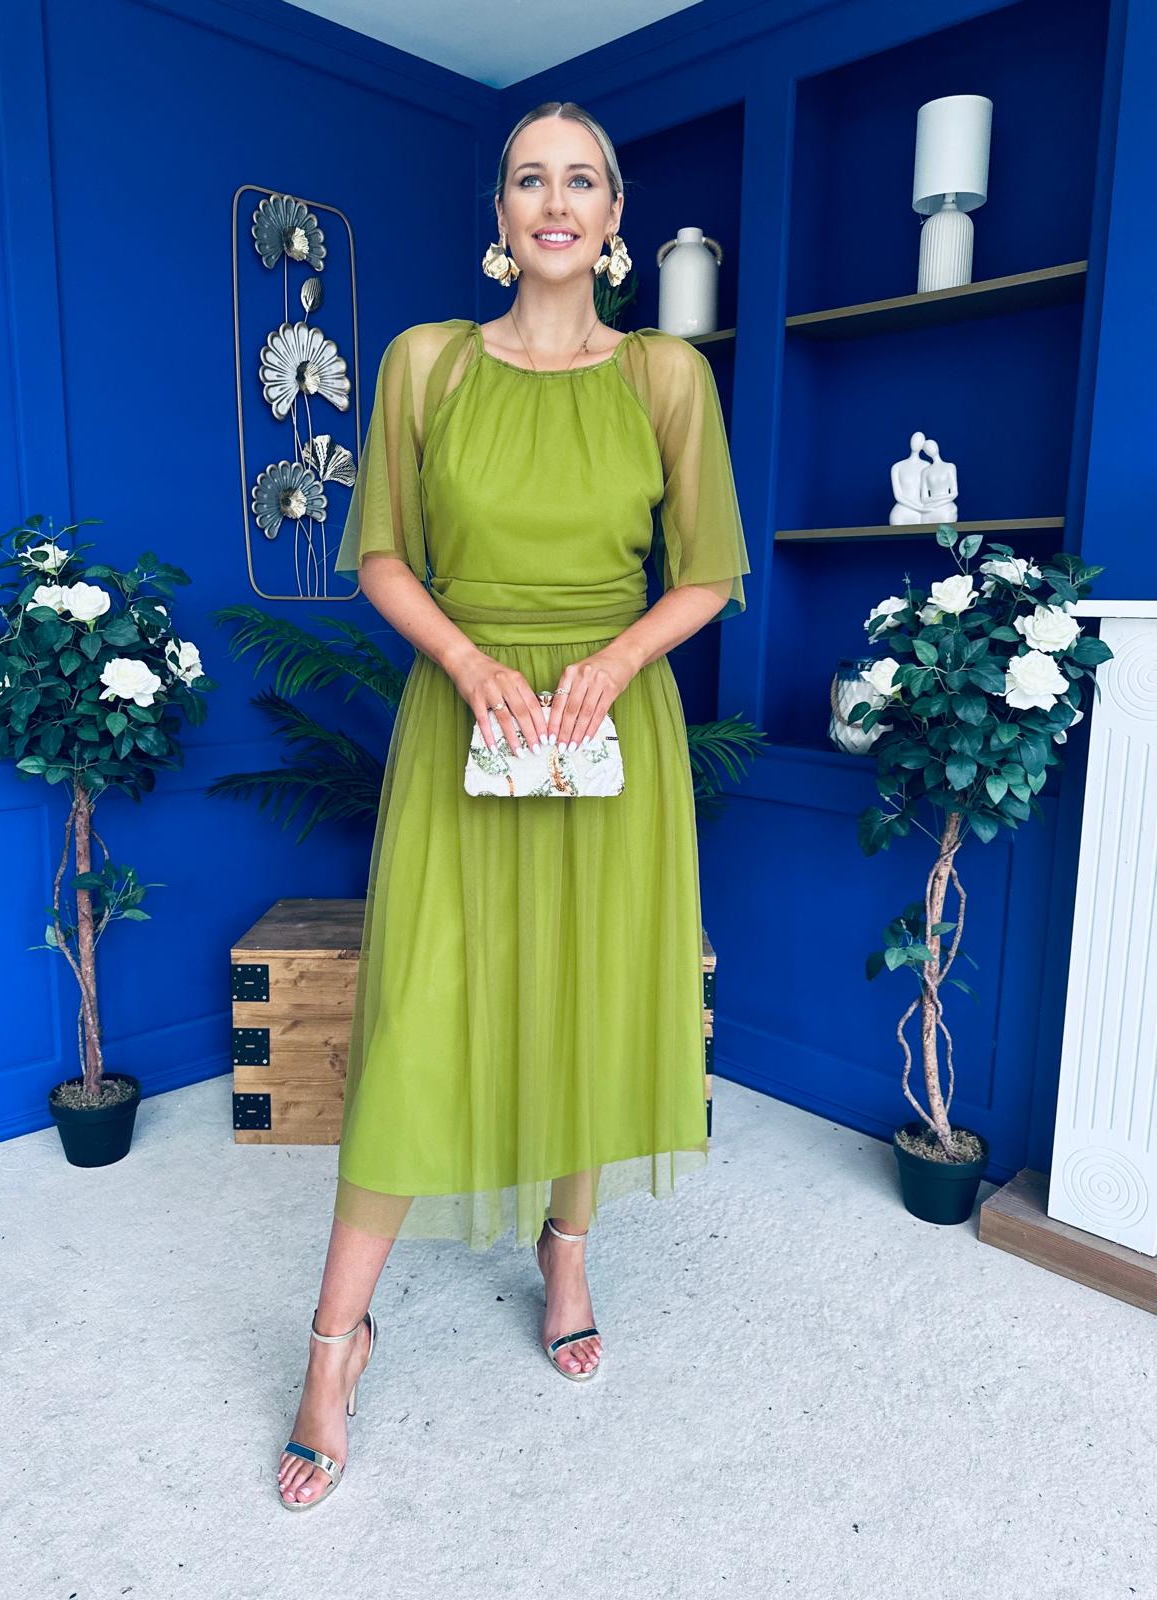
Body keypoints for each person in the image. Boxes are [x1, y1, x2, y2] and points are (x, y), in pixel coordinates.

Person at [278, 100, 750, 1510]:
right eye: (530, 179)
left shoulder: (666, 375)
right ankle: (333, 1342)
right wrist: (473, 663)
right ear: (500, 216)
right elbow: (381, 555)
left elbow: (707, 572)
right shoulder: (425, 363)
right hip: (465, 715)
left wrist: (614, 662)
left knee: (586, 994)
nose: (556, 201)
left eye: (581, 180)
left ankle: (569, 1250)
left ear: (613, 218)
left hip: (611, 725)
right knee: (418, 1016)